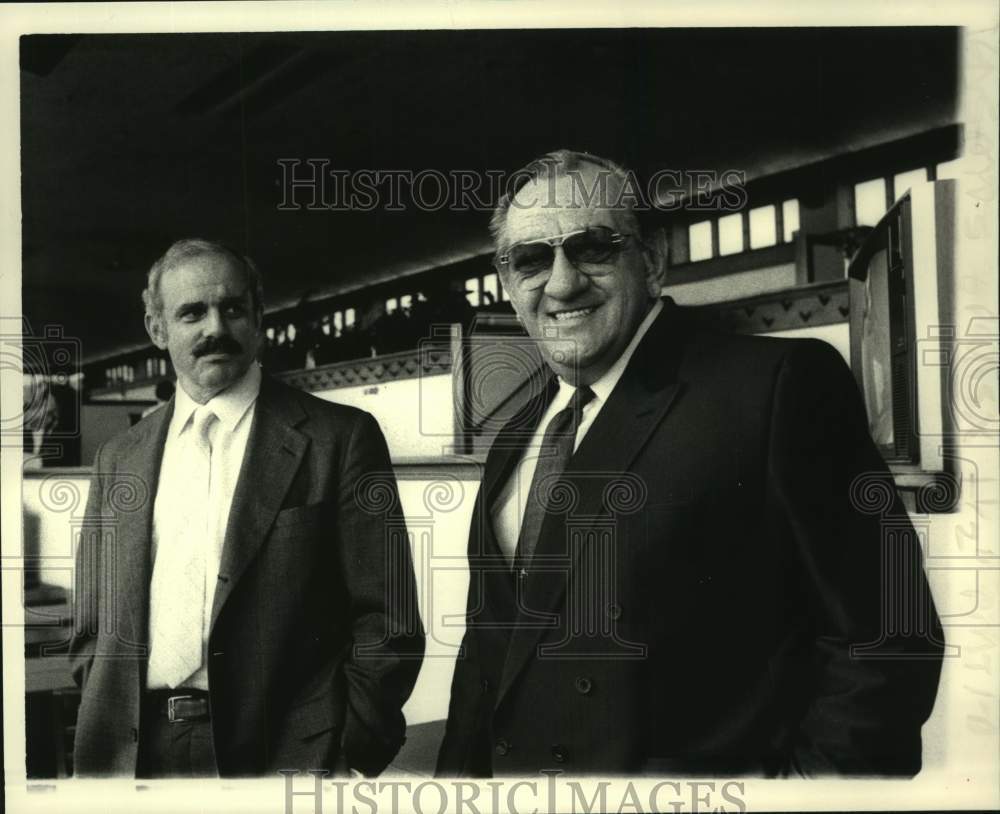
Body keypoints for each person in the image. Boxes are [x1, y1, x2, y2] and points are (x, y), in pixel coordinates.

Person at [436, 150, 944, 777]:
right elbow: (489, 657)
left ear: (651, 260)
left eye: (593, 248)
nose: (562, 283)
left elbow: (889, 641)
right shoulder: (517, 437)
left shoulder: (776, 388)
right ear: (508, 283)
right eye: (533, 259)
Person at [69, 238, 424, 778]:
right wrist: (103, 701)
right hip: (130, 755)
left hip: (286, 754)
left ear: (259, 318)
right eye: (192, 313)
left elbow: (388, 616)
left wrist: (350, 741)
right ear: (157, 328)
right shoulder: (118, 457)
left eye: (233, 308)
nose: (216, 328)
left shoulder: (339, 439)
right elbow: (92, 617)